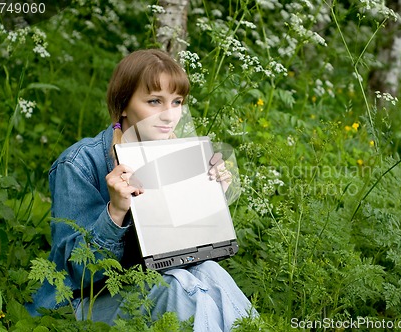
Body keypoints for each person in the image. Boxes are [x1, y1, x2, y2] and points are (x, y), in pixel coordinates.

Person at [26, 49, 254, 331]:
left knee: (209, 273)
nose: (170, 115)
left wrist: (210, 198)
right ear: (123, 105)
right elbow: (79, 273)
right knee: (180, 290)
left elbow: (184, 254)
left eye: (177, 101)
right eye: (154, 101)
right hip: (81, 302)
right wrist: (116, 211)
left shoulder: (177, 154)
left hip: (149, 283)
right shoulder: (78, 164)